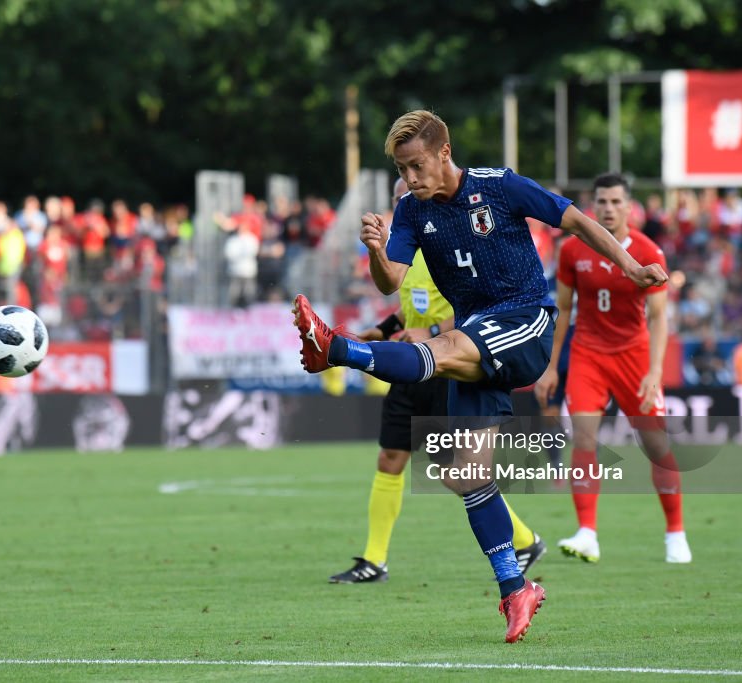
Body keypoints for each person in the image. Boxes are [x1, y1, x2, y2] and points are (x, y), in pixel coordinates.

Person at [292, 110, 668, 643]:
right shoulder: (409, 210)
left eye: (416, 166)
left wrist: (630, 268)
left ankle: (338, 350)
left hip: (525, 321)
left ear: (443, 152)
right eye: (402, 170)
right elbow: (388, 283)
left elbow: (578, 222)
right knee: (465, 473)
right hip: (478, 334)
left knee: (436, 348)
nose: (410, 178)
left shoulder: (500, 186)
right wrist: (377, 251)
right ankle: (516, 588)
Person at [331, 177, 547, 585]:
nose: (405, 205)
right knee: (390, 458)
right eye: (399, 200)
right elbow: (408, 311)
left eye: (408, 198)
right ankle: (374, 560)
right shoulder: (405, 252)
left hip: (442, 365)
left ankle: (524, 539)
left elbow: (473, 308)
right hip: (409, 366)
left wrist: (431, 335)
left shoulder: (445, 244)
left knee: (457, 471)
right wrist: (377, 332)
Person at [534, 172, 692, 565]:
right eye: (601, 201)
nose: (607, 208)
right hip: (588, 354)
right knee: (584, 439)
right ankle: (587, 532)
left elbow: (658, 318)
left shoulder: (649, 251)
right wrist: (552, 366)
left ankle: (675, 533)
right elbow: (565, 311)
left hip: (634, 357)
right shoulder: (572, 251)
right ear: (593, 204)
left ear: (629, 207)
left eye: (615, 202)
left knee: (656, 446)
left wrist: (655, 371)